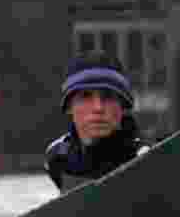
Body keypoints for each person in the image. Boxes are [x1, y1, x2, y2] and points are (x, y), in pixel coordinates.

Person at [45, 52, 148, 192]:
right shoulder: (57, 157)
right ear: (69, 106)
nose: (98, 108)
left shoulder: (147, 157)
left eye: (108, 96)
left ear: (123, 105)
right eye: (85, 96)